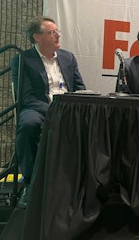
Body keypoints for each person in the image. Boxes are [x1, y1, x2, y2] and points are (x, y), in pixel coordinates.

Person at [11, 16, 86, 207]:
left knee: (93, 122)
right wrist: (54, 109)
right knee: (28, 125)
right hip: (38, 108)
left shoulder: (68, 57)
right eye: (52, 32)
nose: (57, 35)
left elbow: (79, 87)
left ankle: (83, 185)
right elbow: (26, 97)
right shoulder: (23, 60)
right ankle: (30, 182)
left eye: (57, 31)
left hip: (68, 108)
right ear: (37, 37)